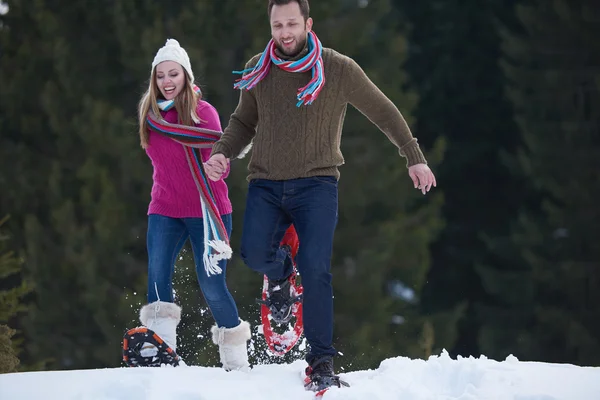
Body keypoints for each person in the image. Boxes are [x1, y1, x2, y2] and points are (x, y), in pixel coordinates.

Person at [204, 0, 437, 389]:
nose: (284, 32)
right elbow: (244, 121)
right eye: (277, 25)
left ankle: (321, 362)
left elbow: (383, 110)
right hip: (266, 181)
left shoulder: (338, 68)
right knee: (254, 254)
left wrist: (413, 156)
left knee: (317, 269)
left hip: (317, 184)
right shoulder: (257, 68)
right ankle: (280, 277)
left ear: (308, 23)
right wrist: (222, 153)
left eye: (291, 23)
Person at [136, 38, 251, 371]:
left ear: (185, 75)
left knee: (211, 284)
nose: (167, 82)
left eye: (173, 74)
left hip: (207, 211)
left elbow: (221, 153)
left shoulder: (203, 113)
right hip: (165, 208)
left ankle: (236, 361)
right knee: (157, 277)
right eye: (161, 76)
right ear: (154, 79)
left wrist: (219, 164)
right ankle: (163, 355)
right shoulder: (151, 114)